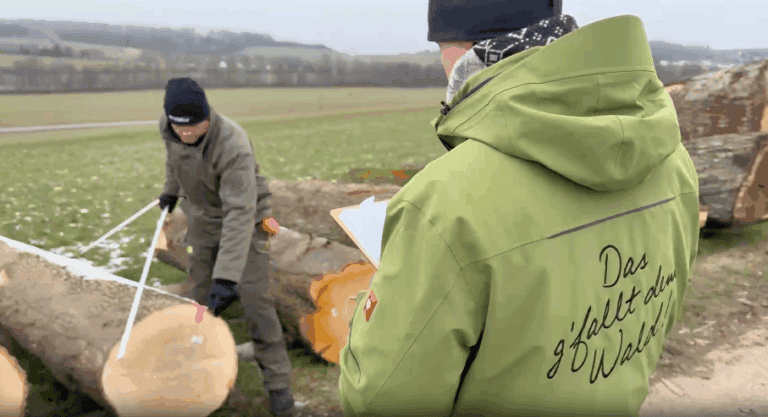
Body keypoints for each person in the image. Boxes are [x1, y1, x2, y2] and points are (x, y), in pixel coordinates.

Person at [338, 1, 701, 416]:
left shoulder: (442, 203)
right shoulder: (672, 160)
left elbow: (381, 401)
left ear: (455, 48)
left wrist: (381, 300)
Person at [157, 77, 299, 417]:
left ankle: (280, 393)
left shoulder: (232, 143)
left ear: (207, 117)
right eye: (179, 128)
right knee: (200, 299)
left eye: (193, 127)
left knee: (256, 303)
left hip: (244, 221)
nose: (185, 134)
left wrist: (228, 277)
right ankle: (199, 376)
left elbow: (239, 214)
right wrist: (171, 190)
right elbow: (175, 159)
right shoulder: (170, 126)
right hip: (202, 221)